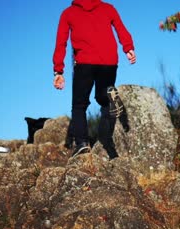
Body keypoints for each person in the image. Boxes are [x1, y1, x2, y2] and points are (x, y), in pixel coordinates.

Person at [52, 0, 136, 158]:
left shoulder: (68, 13)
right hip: (109, 62)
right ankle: (108, 96)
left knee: (79, 105)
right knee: (103, 98)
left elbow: (61, 42)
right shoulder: (108, 9)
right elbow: (120, 28)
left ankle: (82, 144)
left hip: (84, 63)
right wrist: (128, 48)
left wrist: (58, 70)